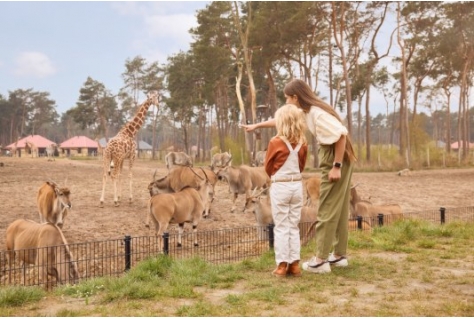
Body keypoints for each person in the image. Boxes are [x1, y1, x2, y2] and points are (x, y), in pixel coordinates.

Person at [242, 78, 357, 274]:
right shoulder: (306, 112)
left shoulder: (317, 114)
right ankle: (339, 255)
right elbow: (283, 120)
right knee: (340, 208)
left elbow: (341, 135)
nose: (286, 102)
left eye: (287, 98)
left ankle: (320, 260)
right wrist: (257, 126)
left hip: (335, 158)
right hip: (339, 159)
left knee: (327, 209)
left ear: (295, 97)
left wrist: (336, 166)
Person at [264, 103, 308, 277]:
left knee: (281, 226)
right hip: (297, 186)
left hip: (280, 185)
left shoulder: (275, 142)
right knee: (293, 225)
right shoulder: (303, 143)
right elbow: (302, 165)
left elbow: (268, 166)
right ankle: (295, 264)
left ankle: (282, 265)